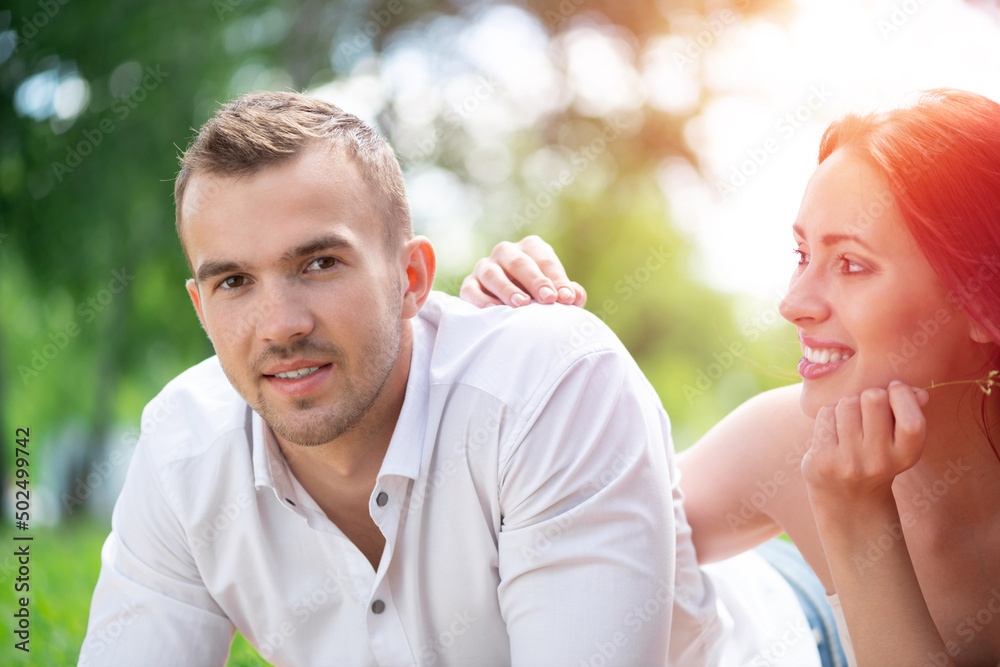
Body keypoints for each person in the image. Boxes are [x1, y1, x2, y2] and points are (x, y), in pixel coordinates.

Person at [79, 90, 738, 666]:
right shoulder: (183, 451)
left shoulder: (550, 387)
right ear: (201, 308)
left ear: (411, 279)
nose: (279, 325)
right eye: (235, 281)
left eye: (318, 264)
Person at [461, 88, 1000, 666]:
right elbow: (576, 528)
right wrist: (511, 344)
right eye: (802, 256)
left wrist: (856, 518)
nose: (794, 303)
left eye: (851, 264)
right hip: (773, 617)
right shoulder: (790, 436)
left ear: (981, 305)